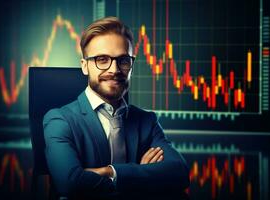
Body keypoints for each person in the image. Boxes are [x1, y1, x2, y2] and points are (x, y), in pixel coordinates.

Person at [43, 16, 190, 200]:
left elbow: (180, 172)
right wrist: (143, 175)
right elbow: (69, 184)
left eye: (123, 60)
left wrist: (109, 172)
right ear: (85, 66)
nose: (114, 69)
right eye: (102, 59)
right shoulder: (59, 120)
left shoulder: (147, 121)